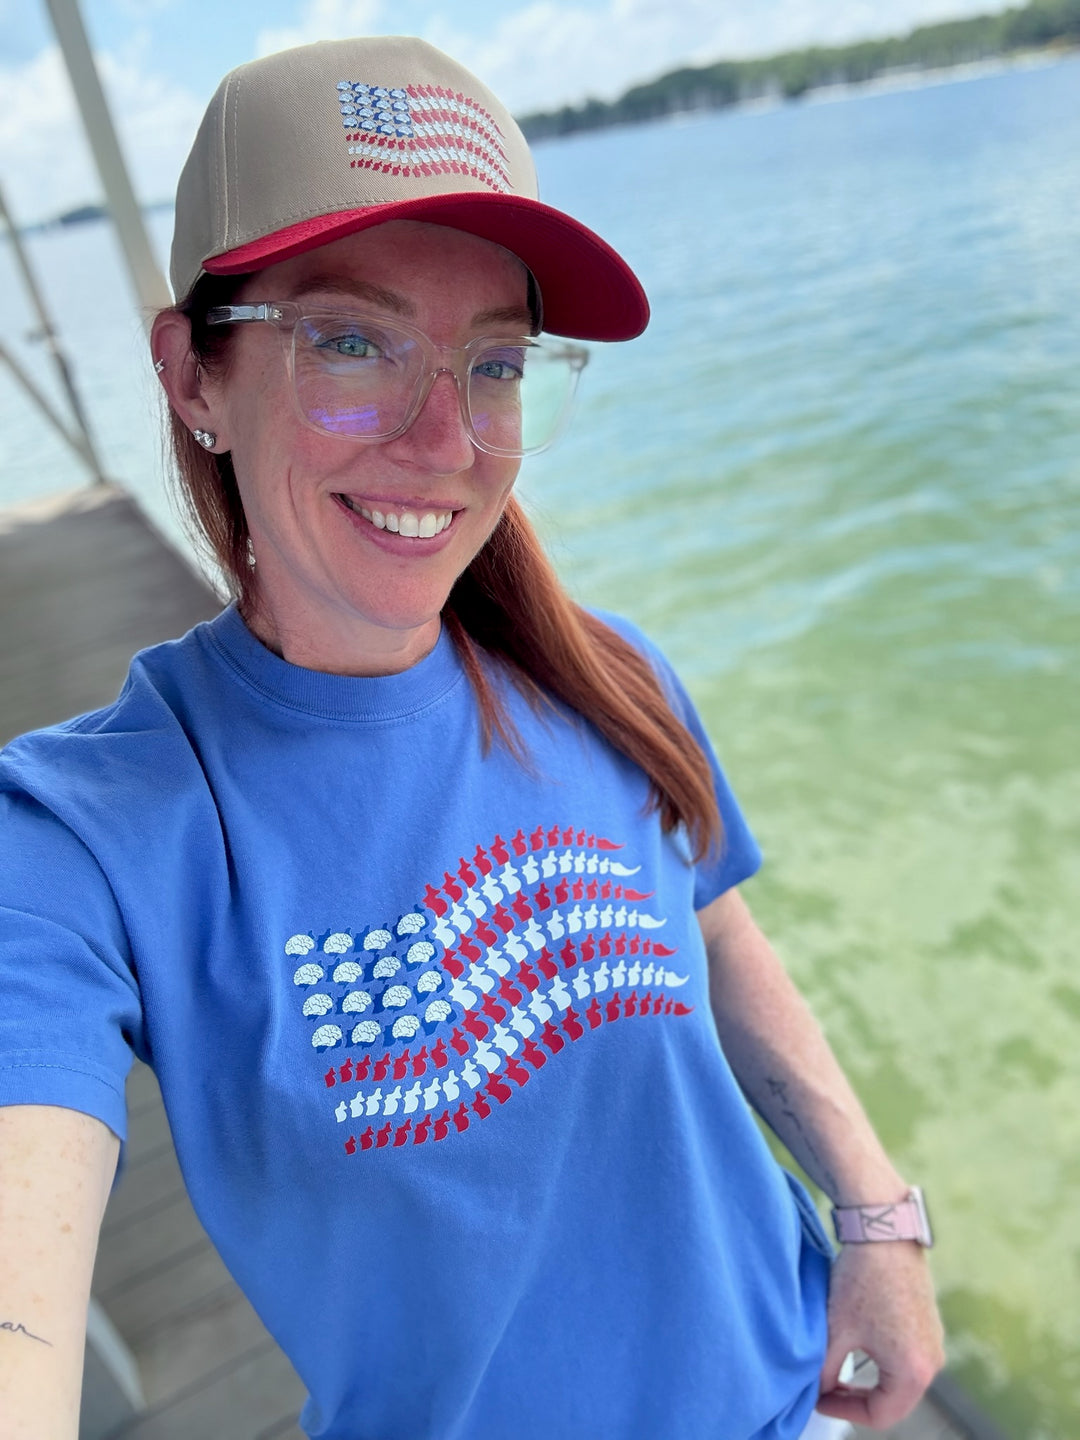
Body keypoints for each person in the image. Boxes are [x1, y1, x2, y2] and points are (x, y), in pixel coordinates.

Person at [0, 35, 944, 1440]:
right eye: (348, 340)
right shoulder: (89, 834)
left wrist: (876, 1216)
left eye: (493, 362)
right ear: (192, 376)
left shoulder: (609, 677)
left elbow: (719, 933)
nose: (446, 438)